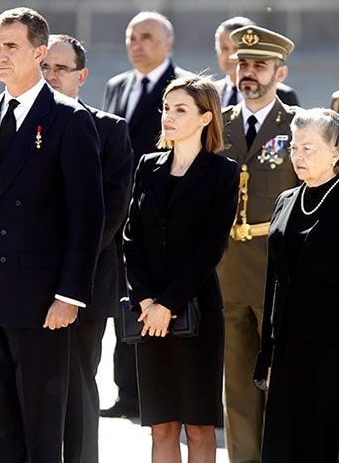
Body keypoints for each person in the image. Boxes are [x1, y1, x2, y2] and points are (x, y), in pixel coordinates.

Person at [0, 7, 104, 462]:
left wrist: (70, 296)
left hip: (41, 301)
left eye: (11, 46)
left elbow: (87, 215)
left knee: (39, 426)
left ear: (39, 53)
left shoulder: (69, 119)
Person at [253, 108, 339, 462]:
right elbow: (274, 284)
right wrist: (266, 353)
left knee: (322, 451)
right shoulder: (285, 202)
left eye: (308, 148)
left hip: (335, 358)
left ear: (336, 152)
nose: (297, 156)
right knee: (284, 449)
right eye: (294, 147)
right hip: (287, 354)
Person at [123, 74, 239, 463]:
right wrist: (144, 300)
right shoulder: (147, 165)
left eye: (180, 110)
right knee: (161, 426)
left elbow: (211, 248)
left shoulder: (223, 172)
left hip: (197, 312)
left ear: (206, 118)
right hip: (147, 311)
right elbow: (130, 239)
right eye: (166, 109)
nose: (168, 117)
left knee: (199, 426)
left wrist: (167, 304)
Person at [41, 34, 134, 463]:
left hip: (85, 284)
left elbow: (110, 214)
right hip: (24, 284)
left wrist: (64, 274)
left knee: (78, 389)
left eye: (61, 69)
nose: (51, 76)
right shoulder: (21, 124)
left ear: (82, 76)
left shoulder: (109, 130)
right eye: (45, 67)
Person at [101, 10, 191, 419]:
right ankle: (127, 393)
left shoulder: (185, 89)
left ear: (168, 43)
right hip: (121, 215)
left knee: (163, 306)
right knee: (126, 304)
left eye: (147, 37)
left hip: (166, 216)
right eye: (131, 36)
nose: (137, 44)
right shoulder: (117, 86)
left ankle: (162, 395)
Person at [216, 24, 299, 463]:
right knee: (238, 385)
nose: (248, 73)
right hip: (228, 271)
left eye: (259, 65)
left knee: (282, 380)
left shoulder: (298, 125)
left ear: (280, 72)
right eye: (242, 64)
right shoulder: (217, 125)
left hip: (277, 273)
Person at [214, 16, 299, 107]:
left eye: (236, 49)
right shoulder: (209, 93)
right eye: (224, 48)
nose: (231, 56)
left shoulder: (283, 95)